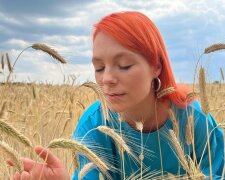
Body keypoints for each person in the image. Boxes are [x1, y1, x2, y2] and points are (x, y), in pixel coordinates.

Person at [9, 11, 224, 180]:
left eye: (124, 65)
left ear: (156, 66)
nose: (107, 79)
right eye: (99, 68)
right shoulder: (94, 126)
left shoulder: (195, 121)